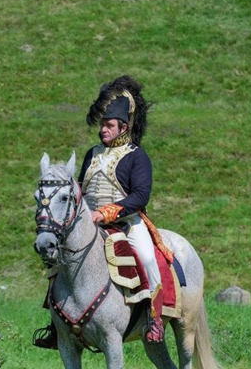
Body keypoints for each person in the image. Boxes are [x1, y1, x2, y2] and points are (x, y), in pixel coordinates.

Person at [34, 75, 170, 349]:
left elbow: (141, 196)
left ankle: (155, 318)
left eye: (109, 126)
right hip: (90, 224)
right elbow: (79, 189)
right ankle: (55, 324)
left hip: (127, 223)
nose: (103, 130)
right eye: (102, 125)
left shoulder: (136, 155)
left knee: (146, 256)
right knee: (58, 262)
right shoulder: (92, 153)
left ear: (123, 127)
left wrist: (105, 214)